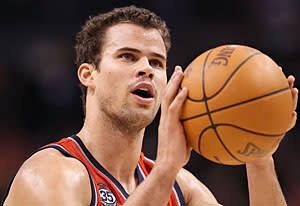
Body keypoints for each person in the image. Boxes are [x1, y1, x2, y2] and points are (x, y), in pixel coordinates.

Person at [2, 6, 298, 206]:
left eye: (157, 62)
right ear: (88, 75)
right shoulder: (49, 174)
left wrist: (259, 150)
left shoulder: (182, 187)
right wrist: (166, 169)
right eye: (128, 57)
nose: (146, 69)